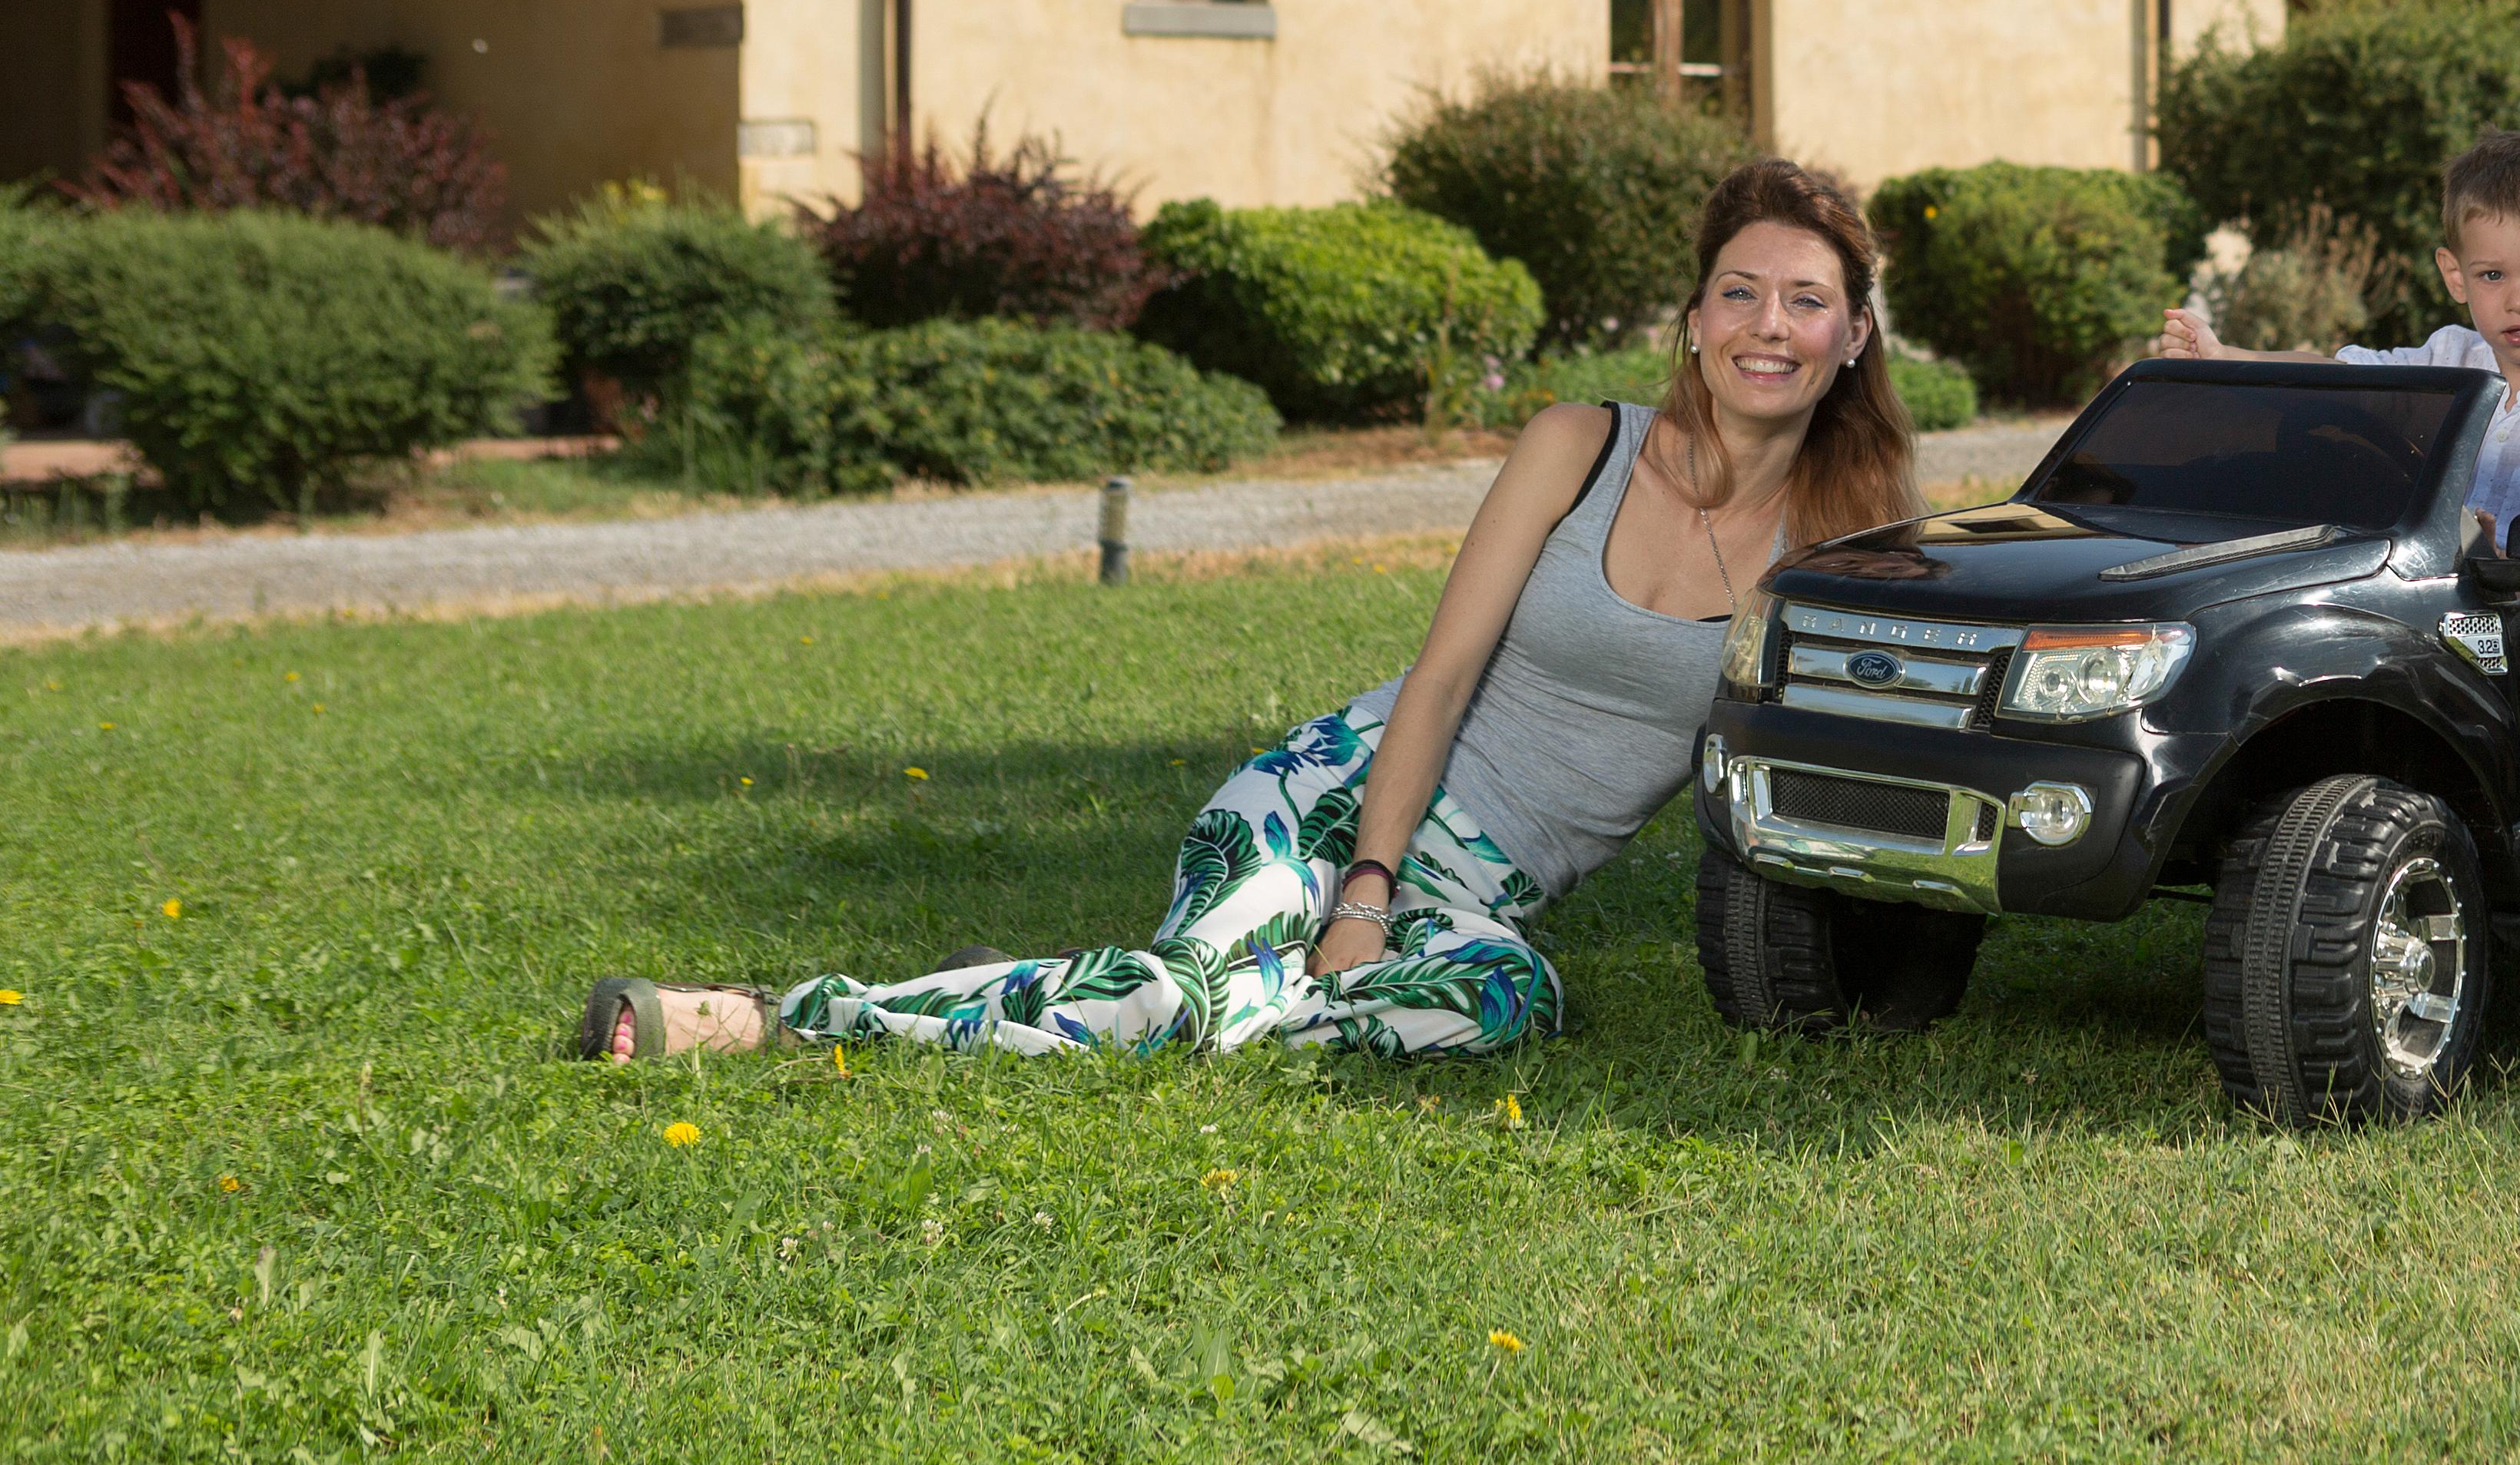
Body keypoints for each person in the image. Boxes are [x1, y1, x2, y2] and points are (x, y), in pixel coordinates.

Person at [572, 159, 1922, 1066]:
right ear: (1692, 319)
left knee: (1510, 1002)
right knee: (1193, 997)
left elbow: (2015, 587)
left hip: (1489, 891)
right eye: (1739, 292)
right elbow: (1441, 681)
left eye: (1806, 301)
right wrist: (1367, 891)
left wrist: (2149, 382)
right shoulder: (1579, 443)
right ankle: (766, 1018)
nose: (1768, 325)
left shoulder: (1853, 536)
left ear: (1853, 336)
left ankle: (1046, 986)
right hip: (1344, 797)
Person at [2160, 126, 2520, 538]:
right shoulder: (2447, 359)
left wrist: (2507, 564)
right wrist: (2227, 355)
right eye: (2493, 275)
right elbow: (2342, 378)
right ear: (2454, 276)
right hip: (2410, 615)